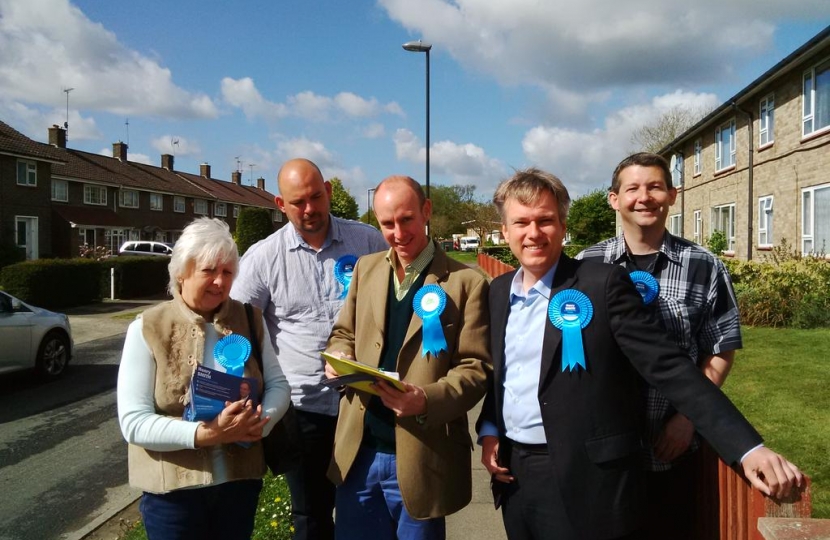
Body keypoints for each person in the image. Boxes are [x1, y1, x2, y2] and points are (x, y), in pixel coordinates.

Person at [476, 168, 802, 540]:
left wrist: (747, 448)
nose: (534, 233)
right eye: (521, 223)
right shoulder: (500, 291)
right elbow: (505, 372)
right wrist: (489, 429)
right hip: (514, 475)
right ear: (504, 232)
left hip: (584, 479)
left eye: (546, 220)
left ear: (563, 226)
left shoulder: (603, 284)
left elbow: (670, 368)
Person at [576, 152, 742, 538]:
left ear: (672, 194)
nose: (644, 196)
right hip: (602, 451)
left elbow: (720, 347)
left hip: (672, 450)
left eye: (655, 186)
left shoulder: (704, 266)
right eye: (632, 188)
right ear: (614, 199)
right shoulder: (587, 264)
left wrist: (688, 419)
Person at [324, 175, 491, 540]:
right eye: (387, 223)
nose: (398, 232)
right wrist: (339, 353)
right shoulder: (366, 270)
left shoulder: (467, 283)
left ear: (426, 211)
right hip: (359, 454)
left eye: (406, 219)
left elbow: (476, 368)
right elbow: (344, 333)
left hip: (422, 456)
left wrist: (426, 400)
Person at [231, 158, 387, 540]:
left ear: (329, 191)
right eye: (297, 202)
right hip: (303, 412)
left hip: (363, 403)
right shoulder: (263, 258)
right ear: (280, 204)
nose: (310, 209)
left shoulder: (366, 241)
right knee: (311, 515)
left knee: (367, 507)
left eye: (316, 197)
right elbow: (234, 328)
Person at [117, 217, 291, 540]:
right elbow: (133, 422)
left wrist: (258, 423)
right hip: (173, 496)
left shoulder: (250, 318)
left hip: (239, 489)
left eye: (227, 272)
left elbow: (279, 386)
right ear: (181, 273)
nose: (220, 282)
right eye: (209, 270)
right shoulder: (147, 327)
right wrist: (207, 433)